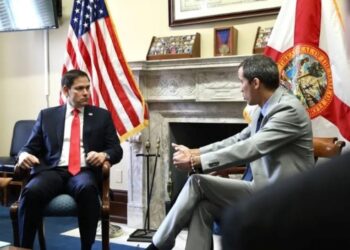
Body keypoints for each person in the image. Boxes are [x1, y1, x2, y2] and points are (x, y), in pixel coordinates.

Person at [145, 54, 315, 250]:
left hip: (283, 197)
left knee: (197, 182)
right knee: (203, 208)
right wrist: (195, 152)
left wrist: (196, 162)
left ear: (256, 83)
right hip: (260, 188)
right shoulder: (265, 106)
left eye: (241, 81)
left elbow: (251, 147)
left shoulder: (288, 110)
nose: (240, 87)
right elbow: (238, 139)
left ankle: (157, 247)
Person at [16, 69, 123, 250]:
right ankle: (24, 247)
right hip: (53, 171)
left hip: (84, 171)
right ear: (66, 91)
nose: (86, 93)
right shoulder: (47, 116)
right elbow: (29, 147)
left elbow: (116, 149)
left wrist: (104, 155)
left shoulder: (101, 116)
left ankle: (86, 247)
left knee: (88, 189)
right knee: (31, 191)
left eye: (88, 88)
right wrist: (24, 155)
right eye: (79, 88)